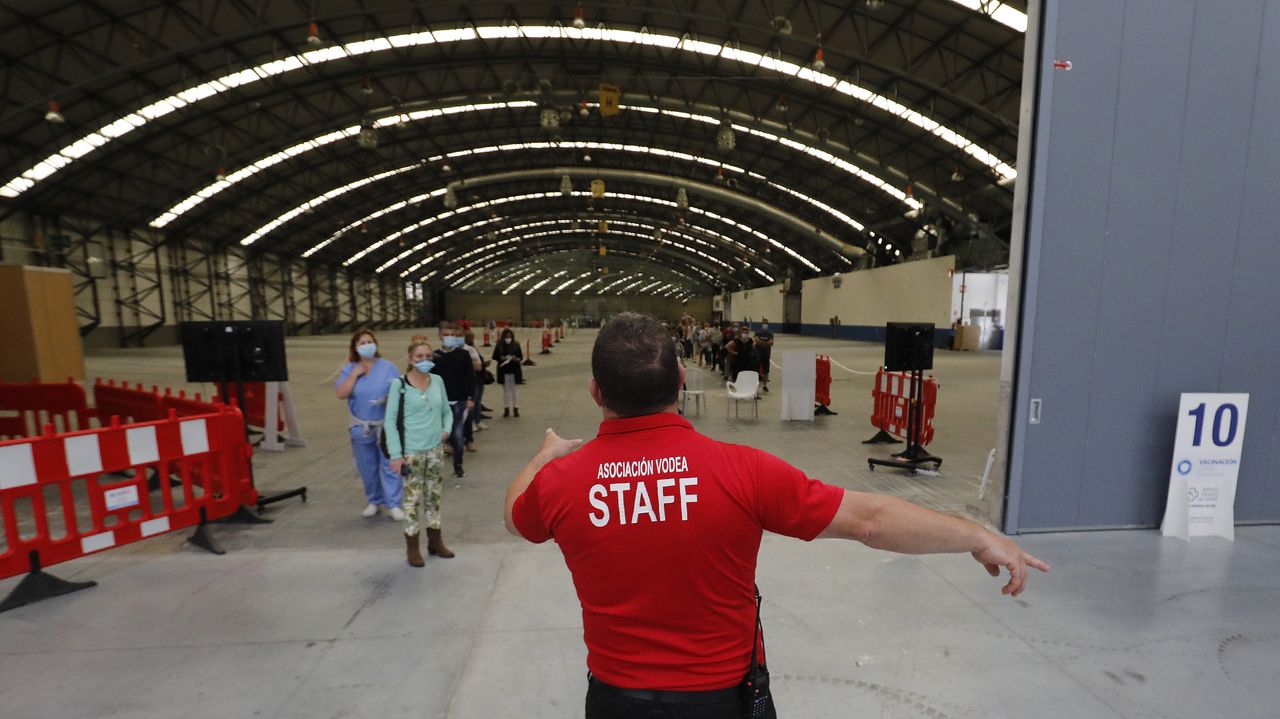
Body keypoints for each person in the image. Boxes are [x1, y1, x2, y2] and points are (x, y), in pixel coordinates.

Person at [503, 312, 1048, 718]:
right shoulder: (743, 471)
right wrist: (974, 536)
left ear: (596, 392)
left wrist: (544, 455)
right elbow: (870, 520)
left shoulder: (560, 485)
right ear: (681, 384)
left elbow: (515, 520)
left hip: (616, 699)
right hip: (723, 699)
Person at [385, 339, 455, 566]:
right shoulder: (399, 385)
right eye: (419, 357)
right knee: (412, 500)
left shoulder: (438, 381)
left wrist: (446, 430)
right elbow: (389, 422)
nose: (424, 361)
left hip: (435, 450)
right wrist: (396, 455)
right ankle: (412, 547)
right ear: (410, 359)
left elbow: (447, 411)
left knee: (434, 498)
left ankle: (436, 541)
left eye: (428, 356)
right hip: (411, 453)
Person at [334, 329, 404, 520]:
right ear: (355, 348)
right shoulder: (350, 369)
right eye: (362, 343)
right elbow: (341, 393)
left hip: (385, 425)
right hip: (361, 425)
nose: (367, 346)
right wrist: (354, 375)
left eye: (369, 341)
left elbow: (400, 391)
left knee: (390, 464)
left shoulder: (388, 367)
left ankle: (394, 503)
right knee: (367, 466)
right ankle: (374, 500)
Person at [433, 321, 476, 478]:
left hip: (459, 402)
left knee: (457, 435)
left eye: (452, 335)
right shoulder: (434, 357)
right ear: (439, 336)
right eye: (446, 335)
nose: (449, 338)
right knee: (437, 437)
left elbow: (470, 378)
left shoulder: (463, 355)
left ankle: (458, 464)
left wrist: (470, 398)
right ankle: (435, 466)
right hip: (439, 404)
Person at [493, 327, 524, 417]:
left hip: (514, 369)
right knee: (506, 390)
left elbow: (521, 357)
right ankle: (506, 408)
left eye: (510, 336)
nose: (508, 338)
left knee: (514, 390)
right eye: (506, 336)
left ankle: (516, 408)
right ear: (503, 337)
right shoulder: (499, 345)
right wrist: (501, 358)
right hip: (504, 369)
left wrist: (516, 359)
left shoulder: (516, 344)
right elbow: (495, 356)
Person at [463, 330, 489, 434]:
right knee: (472, 402)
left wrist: (482, 364)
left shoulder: (474, 349)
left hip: (479, 378)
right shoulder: (466, 350)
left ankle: (478, 420)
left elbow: (478, 362)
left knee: (478, 401)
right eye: (470, 338)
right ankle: (471, 422)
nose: (472, 340)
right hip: (472, 379)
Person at [754, 320, 775, 393]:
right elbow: (756, 340)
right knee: (756, 370)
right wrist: (766, 343)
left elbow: (772, 342)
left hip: (766, 355)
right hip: (758, 354)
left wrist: (761, 343)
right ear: (762, 324)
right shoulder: (758, 332)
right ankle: (755, 385)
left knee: (766, 371)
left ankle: (765, 385)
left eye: (766, 323)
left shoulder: (770, 333)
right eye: (764, 323)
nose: (765, 325)